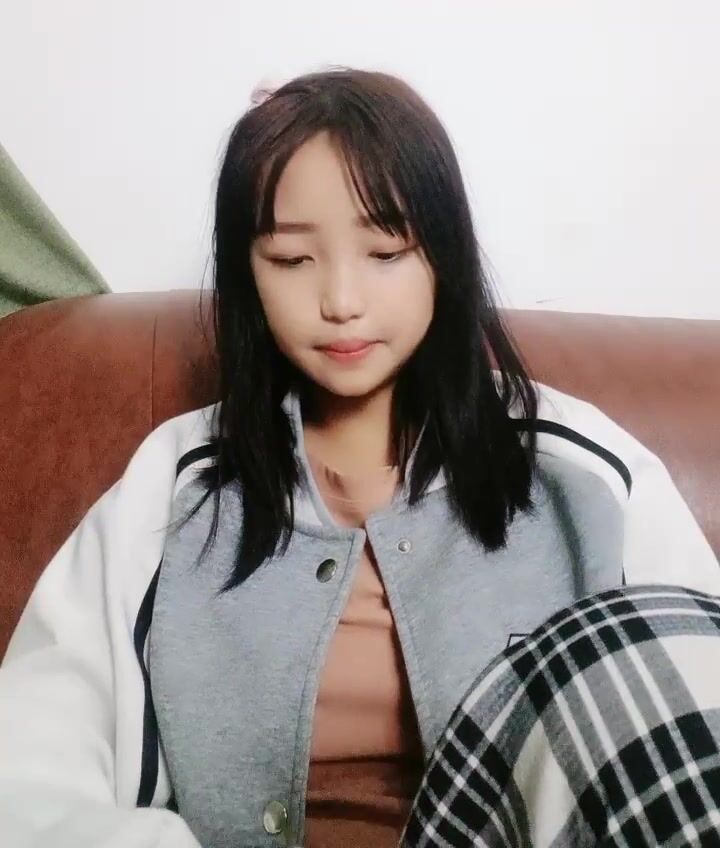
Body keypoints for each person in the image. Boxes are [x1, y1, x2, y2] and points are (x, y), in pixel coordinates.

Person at [0, 68, 718, 848]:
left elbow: (693, 699)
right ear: (246, 271)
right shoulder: (176, 483)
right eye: (291, 259)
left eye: (385, 250)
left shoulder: (585, 468)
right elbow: (33, 758)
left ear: (443, 256)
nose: (341, 301)